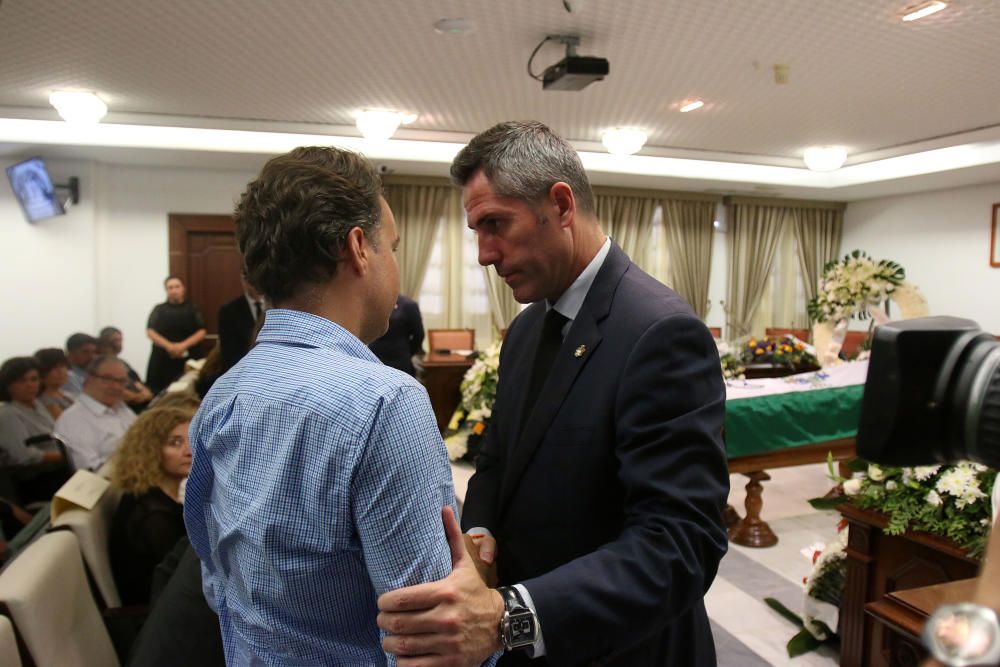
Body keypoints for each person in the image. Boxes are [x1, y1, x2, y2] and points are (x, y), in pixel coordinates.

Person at [377, 121, 729, 666]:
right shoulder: (525, 328)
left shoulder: (660, 332)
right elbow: (497, 457)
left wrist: (513, 615)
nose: (484, 254)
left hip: (625, 649)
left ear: (561, 205)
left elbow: (680, 543)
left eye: (495, 224)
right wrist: (481, 530)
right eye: (476, 231)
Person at [183, 146, 478, 666]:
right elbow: (430, 645)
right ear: (359, 248)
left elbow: (218, 583)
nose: (395, 264)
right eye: (393, 246)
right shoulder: (386, 403)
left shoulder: (221, 399)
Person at [108, 406, 193, 605]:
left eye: (192, 439)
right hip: (160, 616)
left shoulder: (150, 495)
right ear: (151, 451)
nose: (189, 451)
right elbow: (181, 580)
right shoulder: (153, 515)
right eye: (175, 443)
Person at [0, 357, 70, 501]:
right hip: (39, 479)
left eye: (34, 379)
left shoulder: (38, 405)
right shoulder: (7, 414)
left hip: (61, 468)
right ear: (8, 385)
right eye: (22, 381)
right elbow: (23, 455)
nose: (30, 385)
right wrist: (66, 455)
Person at [54, 355, 137, 471]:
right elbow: (90, 470)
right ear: (89, 379)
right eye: (107, 379)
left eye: (121, 381)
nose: (116, 386)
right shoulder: (73, 420)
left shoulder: (124, 410)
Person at [145, 276, 207, 394]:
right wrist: (170, 347)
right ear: (166, 290)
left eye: (177, 287)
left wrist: (182, 346)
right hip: (162, 358)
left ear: (183, 289)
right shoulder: (159, 309)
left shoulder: (192, 309)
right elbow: (150, 331)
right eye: (170, 287)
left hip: (188, 358)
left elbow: (201, 331)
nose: (174, 290)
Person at [216, 273, 268, 374]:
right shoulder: (228, 311)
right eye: (248, 279)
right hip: (241, 373)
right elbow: (228, 355)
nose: (253, 284)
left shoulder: (277, 307)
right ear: (243, 281)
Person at [98, 326, 154, 410]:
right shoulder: (102, 364)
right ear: (105, 342)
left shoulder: (121, 362)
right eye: (115, 340)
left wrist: (146, 393)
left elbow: (136, 381)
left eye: (120, 340)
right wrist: (139, 397)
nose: (119, 344)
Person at [368, 294, 425, 376]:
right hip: (374, 357)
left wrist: (409, 351)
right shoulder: (373, 301)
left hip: (399, 359)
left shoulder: (408, 305)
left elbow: (419, 335)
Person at [34, 347, 74, 420]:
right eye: (54, 367)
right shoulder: (46, 400)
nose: (61, 371)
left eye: (62, 366)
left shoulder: (65, 394)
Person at [62, 332, 98, 397]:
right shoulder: (68, 377)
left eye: (94, 352)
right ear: (70, 355)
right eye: (85, 352)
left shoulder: (94, 376)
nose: (92, 356)